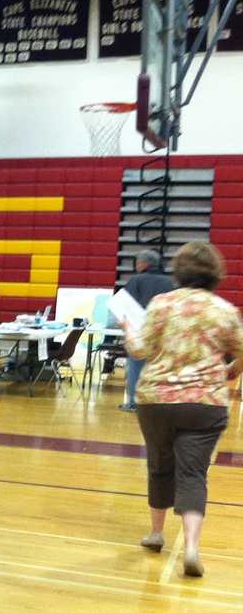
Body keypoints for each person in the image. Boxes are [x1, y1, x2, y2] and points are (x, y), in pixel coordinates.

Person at [122, 242, 242, 578]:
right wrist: (233, 369)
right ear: (215, 273)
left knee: (160, 465)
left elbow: (141, 349)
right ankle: (190, 547)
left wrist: (128, 330)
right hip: (206, 403)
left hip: (156, 400)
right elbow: (241, 348)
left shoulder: (161, 304)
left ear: (180, 271)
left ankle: (156, 534)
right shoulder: (224, 309)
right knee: (193, 474)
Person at [118, 249, 176, 412]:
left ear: (144, 264)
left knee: (136, 365)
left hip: (139, 331)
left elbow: (124, 305)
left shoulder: (136, 280)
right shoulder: (168, 282)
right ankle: (157, 401)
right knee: (159, 367)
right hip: (163, 332)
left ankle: (133, 402)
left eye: (138, 263)